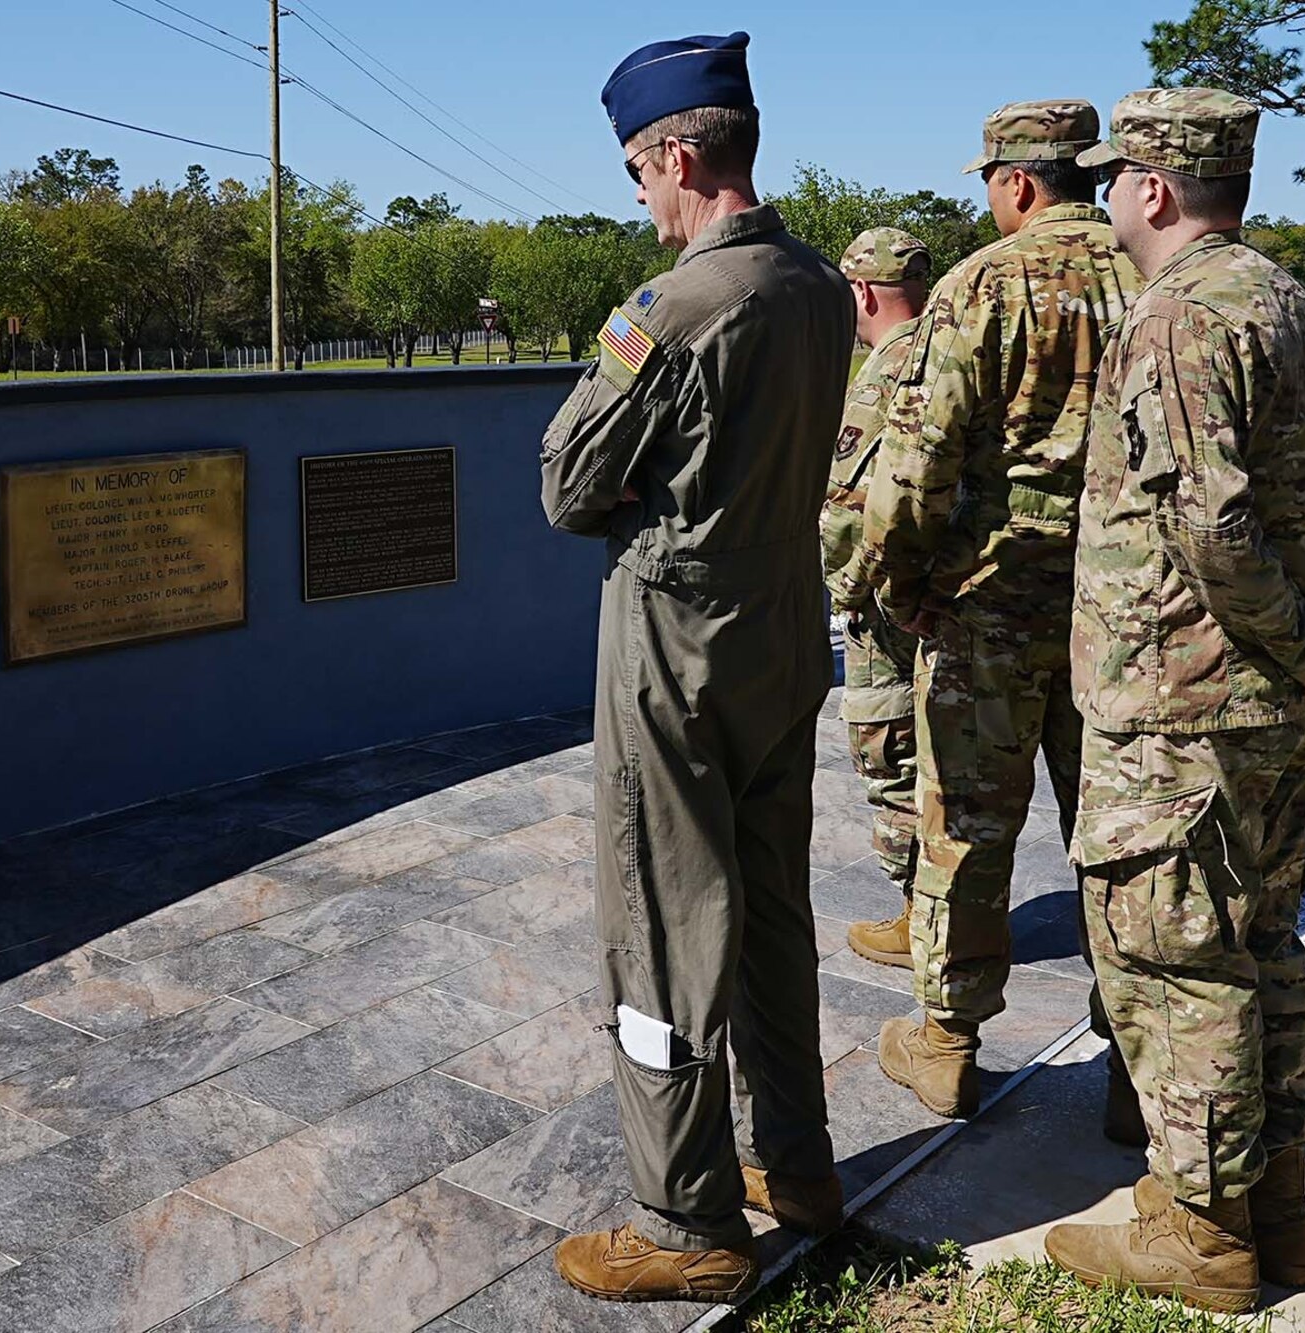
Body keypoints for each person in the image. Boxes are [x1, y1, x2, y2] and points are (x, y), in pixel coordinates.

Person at [1044, 87, 1305, 1314]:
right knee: (1253, 949)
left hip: (1178, 709)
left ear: (1149, 188)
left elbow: (1208, 518)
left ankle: (1201, 1231)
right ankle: (1271, 1209)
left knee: (1172, 961)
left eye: (1114, 179)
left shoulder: (1178, 317)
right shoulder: (1288, 302)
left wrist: (1303, 637)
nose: (1106, 200)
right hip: (1260, 711)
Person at [537, 30, 854, 1305]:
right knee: (771, 908)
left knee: (661, 924)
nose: (638, 200)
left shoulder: (675, 308)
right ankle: (800, 1160)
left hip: (676, 650)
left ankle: (685, 1219)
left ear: (677, 154)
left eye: (636, 173)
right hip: (784, 627)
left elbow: (565, 486)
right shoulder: (819, 283)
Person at [846, 100, 1142, 1122]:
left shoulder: (981, 283)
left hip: (989, 614)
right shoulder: (1154, 270)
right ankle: (1134, 1070)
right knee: (1116, 842)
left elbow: (911, 467)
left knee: (964, 832)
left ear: (1015, 183)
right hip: (1124, 621)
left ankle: (945, 1042)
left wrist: (902, 587)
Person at [822, 227, 932, 968]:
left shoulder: (886, 368)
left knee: (888, 747)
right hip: (948, 590)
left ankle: (921, 915)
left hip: (891, 603)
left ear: (861, 291)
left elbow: (846, 502)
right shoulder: (953, 349)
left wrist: (840, 585)